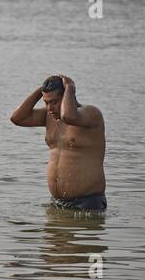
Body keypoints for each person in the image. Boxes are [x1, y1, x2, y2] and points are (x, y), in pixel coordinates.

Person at [10, 74, 106, 211]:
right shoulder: (49, 117)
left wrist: (70, 88)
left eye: (54, 102)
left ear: (67, 97)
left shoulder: (91, 114)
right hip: (58, 204)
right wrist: (41, 90)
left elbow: (68, 116)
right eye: (46, 102)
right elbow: (17, 118)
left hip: (88, 204)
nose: (49, 108)